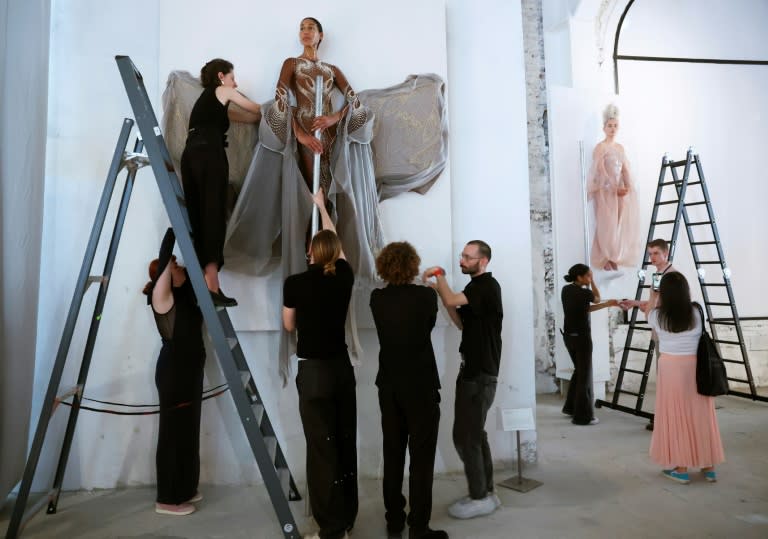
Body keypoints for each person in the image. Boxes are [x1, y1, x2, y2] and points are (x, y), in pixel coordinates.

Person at [282, 189, 357, 539]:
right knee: (344, 442)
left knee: (321, 449)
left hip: (312, 372)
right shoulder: (343, 276)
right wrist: (322, 207)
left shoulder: (294, 283)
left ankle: (331, 529)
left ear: (310, 252)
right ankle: (347, 520)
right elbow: (337, 246)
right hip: (341, 370)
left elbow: (288, 325)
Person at [370, 242, 448, 539]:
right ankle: (418, 526)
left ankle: (394, 519)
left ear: (383, 267)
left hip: (389, 385)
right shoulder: (426, 296)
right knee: (421, 457)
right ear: (414, 266)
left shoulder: (377, 299)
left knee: (393, 452)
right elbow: (427, 325)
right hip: (421, 385)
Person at [423, 240, 502, 520]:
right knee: (474, 435)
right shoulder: (475, 289)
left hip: (479, 375)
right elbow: (459, 320)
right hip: (474, 372)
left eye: (468, 258)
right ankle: (486, 492)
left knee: (465, 437)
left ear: (483, 261)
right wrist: (439, 292)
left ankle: (480, 496)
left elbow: (453, 299)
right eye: (462, 256)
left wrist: (439, 276)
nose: (462, 261)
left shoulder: (486, 287)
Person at [180, 58, 261, 307]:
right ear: (221, 76)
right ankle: (212, 286)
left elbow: (245, 117)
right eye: (232, 77)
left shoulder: (209, 103)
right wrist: (276, 109)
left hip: (191, 155)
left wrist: (257, 118)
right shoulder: (223, 90)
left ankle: (208, 284)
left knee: (200, 217)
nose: (235, 83)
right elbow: (255, 110)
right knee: (213, 215)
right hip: (209, 155)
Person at [142, 228, 205, 516]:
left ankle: (186, 488)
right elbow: (167, 259)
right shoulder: (162, 297)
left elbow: (196, 272)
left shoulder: (185, 295)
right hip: (175, 374)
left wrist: (192, 232)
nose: (180, 269)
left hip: (190, 371)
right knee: (173, 435)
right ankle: (167, 499)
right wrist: (173, 230)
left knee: (189, 431)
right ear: (167, 272)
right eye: (175, 266)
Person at [646, 271, 725, 483]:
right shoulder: (697, 311)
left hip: (670, 367)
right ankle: (709, 468)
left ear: (664, 292)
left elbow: (652, 325)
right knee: (701, 414)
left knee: (676, 415)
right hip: (696, 367)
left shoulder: (656, 315)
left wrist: (653, 296)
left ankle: (681, 469)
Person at [619, 238, 678, 430]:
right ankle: (663, 416)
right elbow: (654, 302)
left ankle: (667, 419)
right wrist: (635, 303)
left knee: (668, 377)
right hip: (659, 332)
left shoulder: (671, 276)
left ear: (665, 254)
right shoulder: (659, 275)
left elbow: (670, 306)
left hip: (667, 334)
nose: (651, 257)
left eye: (655, 253)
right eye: (650, 254)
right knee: (664, 377)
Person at [560, 264, 619, 425]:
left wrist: (608, 305)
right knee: (584, 376)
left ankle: (570, 408)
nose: (590, 278)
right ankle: (583, 416)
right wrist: (593, 283)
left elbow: (585, 309)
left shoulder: (566, 290)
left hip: (568, 337)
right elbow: (597, 298)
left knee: (579, 372)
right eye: (588, 276)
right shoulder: (585, 292)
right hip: (582, 339)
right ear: (579, 277)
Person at [588, 104, 641, 271]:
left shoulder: (619, 148)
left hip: (618, 191)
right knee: (606, 223)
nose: (612, 128)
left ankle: (614, 255)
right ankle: (606, 257)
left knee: (617, 223)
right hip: (605, 191)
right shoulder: (600, 147)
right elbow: (600, 170)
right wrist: (612, 188)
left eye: (615, 125)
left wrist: (629, 187)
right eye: (609, 125)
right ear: (604, 127)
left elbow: (624, 169)